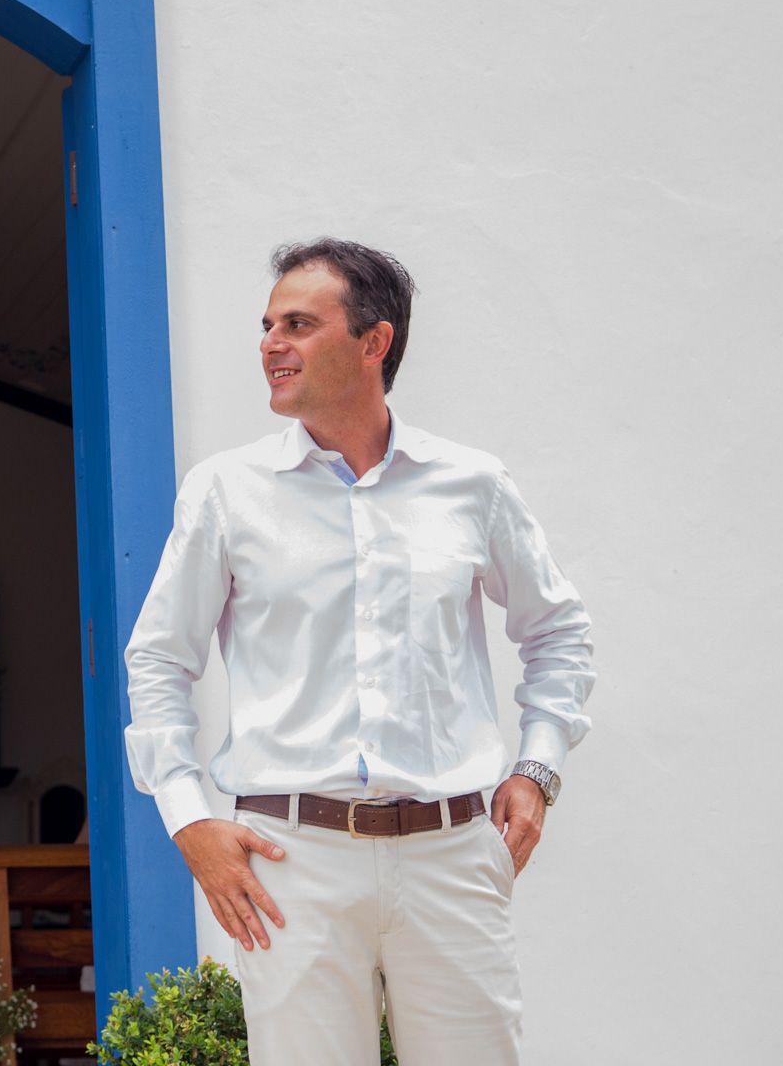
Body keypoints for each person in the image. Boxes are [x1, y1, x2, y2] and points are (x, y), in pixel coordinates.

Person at [122, 238, 596, 1064]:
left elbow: (557, 631)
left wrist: (539, 766)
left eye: (299, 324)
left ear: (374, 343)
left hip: (453, 853)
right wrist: (188, 819)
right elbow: (161, 660)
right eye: (268, 325)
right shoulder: (226, 492)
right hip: (290, 862)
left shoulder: (472, 485)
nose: (272, 343)